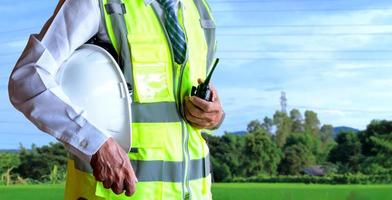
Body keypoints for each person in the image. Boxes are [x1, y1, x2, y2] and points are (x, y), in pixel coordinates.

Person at [8, 0, 224, 199]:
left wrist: (214, 115)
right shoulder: (96, 3)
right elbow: (28, 78)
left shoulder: (199, 8)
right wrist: (94, 143)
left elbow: (190, 90)